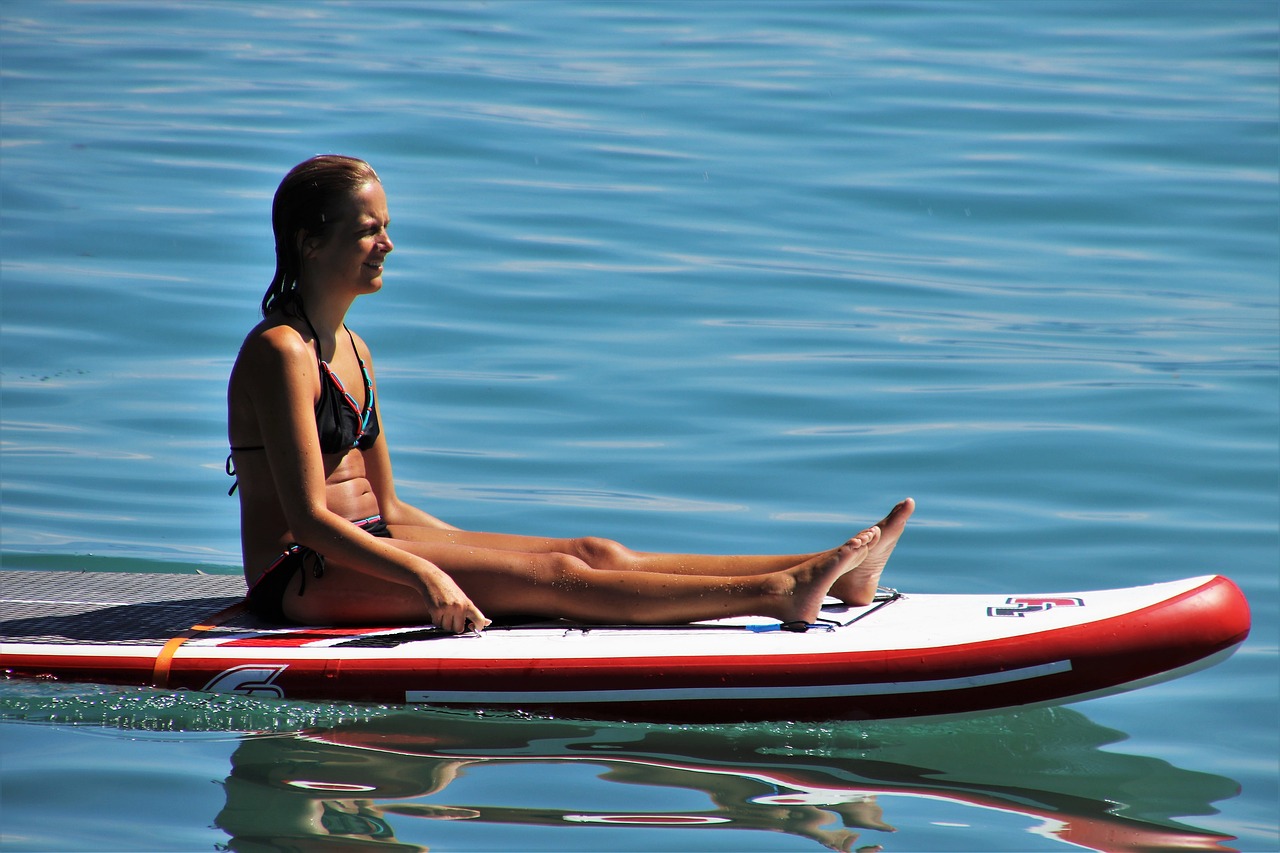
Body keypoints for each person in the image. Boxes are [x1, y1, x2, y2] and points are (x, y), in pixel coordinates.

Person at [226, 154, 915, 633]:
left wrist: (485, 557)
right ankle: (779, 593)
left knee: (591, 550)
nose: (389, 244)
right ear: (311, 244)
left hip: (374, 539)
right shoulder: (279, 351)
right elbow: (312, 521)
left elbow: (392, 505)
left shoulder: (356, 346)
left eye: (386, 226)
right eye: (369, 229)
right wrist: (429, 579)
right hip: (301, 575)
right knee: (554, 575)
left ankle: (823, 571)